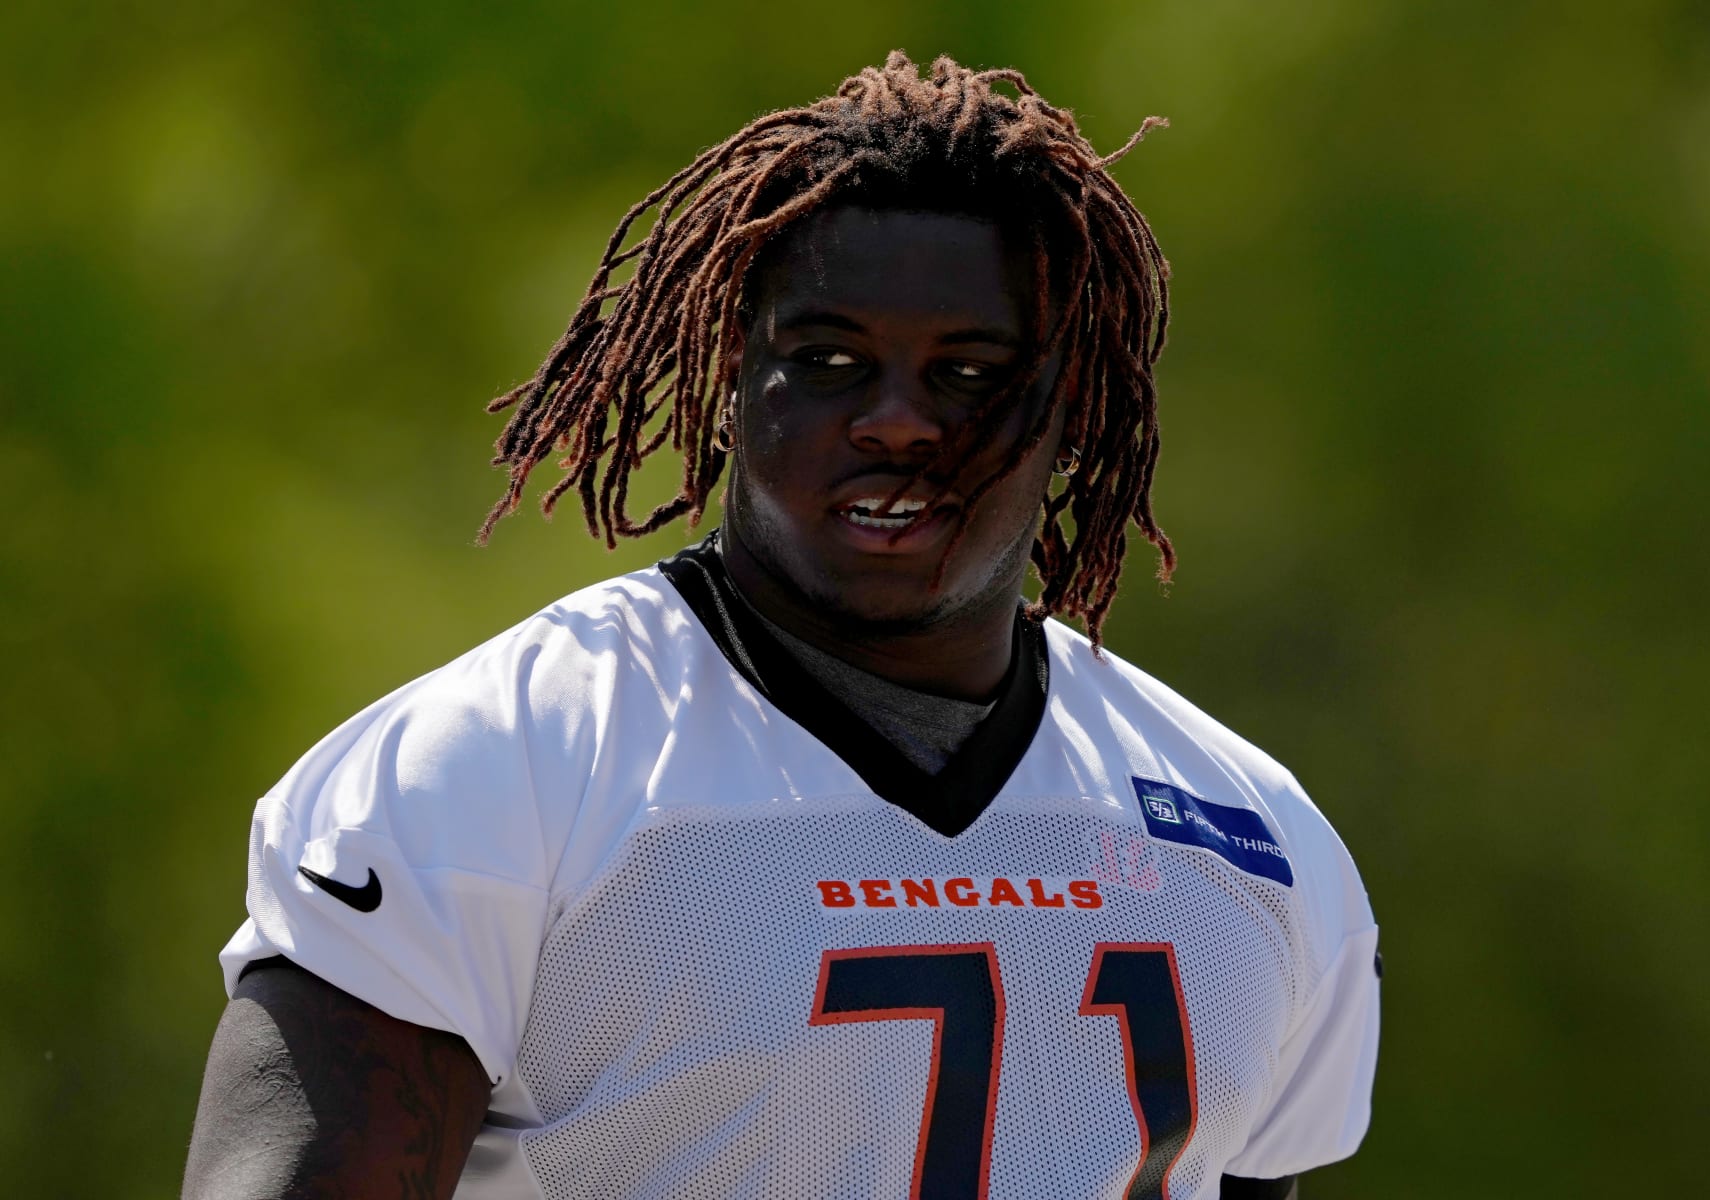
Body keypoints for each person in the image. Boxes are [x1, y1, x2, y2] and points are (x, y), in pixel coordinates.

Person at [182, 52, 1379, 1200]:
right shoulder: (504, 766)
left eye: (969, 373)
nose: (899, 423)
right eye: (828, 359)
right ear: (729, 379)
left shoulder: (1252, 840)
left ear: (1076, 406)